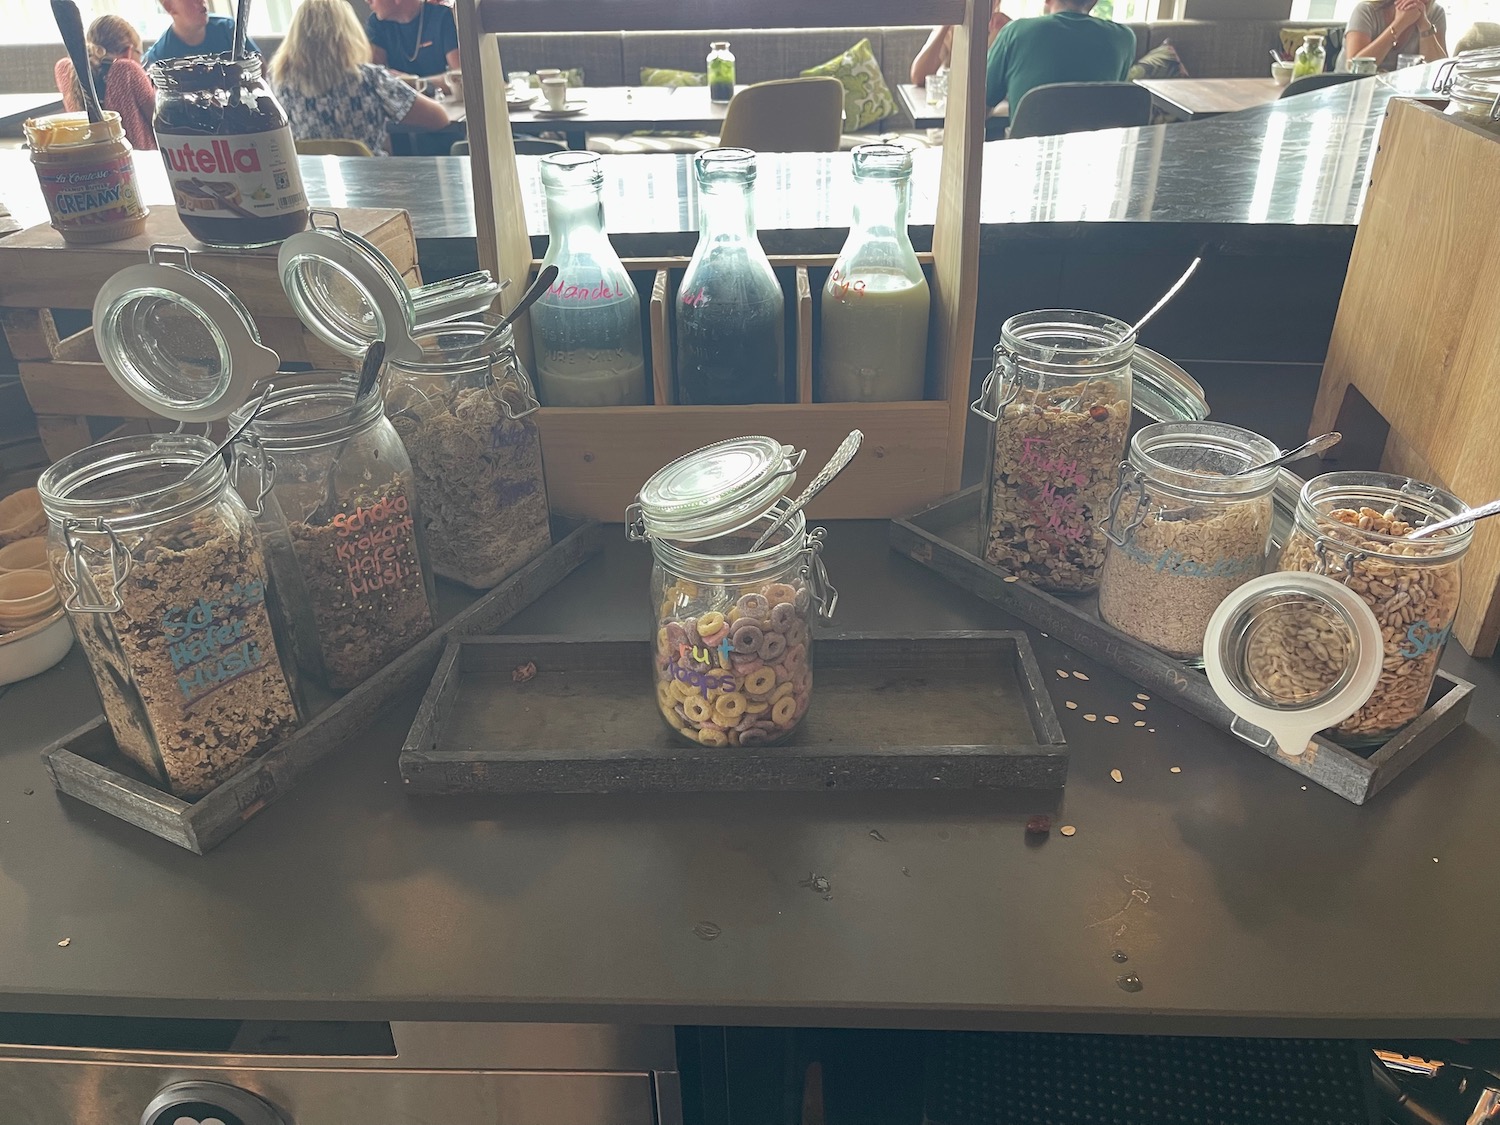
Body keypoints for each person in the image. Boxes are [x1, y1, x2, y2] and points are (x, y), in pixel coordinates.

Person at [269, 0, 450, 157]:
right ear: (347, 33)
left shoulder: (278, 82)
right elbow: (439, 119)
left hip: (312, 186)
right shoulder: (369, 79)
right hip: (373, 185)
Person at [984, 0, 1136, 110]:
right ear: (1094, 2)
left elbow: (986, 96)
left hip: (1028, 148)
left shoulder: (1015, 31)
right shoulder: (1125, 38)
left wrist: (994, 42)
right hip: (1097, 148)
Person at [53, 15, 157, 150]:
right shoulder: (126, 70)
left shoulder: (68, 70)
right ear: (129, 52)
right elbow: (159, 121)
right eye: (140, 54)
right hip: (137, 159)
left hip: (87, 157)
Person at [911, 0, 1011, 87]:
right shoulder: (951, 31)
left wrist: (1010, 28)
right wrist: (946, 24)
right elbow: (918, 77)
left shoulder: (1005, 30)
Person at [365, 0, 461, 83]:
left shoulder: (442, 16)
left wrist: (412, 82)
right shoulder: (377, 24)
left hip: (445, 101)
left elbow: (459, 77)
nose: (367, 1)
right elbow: (372, 78)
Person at [142, 0, 259, 67]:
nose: (201, 1)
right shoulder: (158, 58)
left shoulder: (229, 29)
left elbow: (259, 67)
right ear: (169, 7)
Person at [1344, 0, 1448, 70]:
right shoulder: (1367, 10)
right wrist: (1399, 24)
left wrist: (1424, 26)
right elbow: (1354, 67)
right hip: (1353, 89)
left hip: (1403, 93)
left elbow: (1440, 70)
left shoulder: (1436, 13)